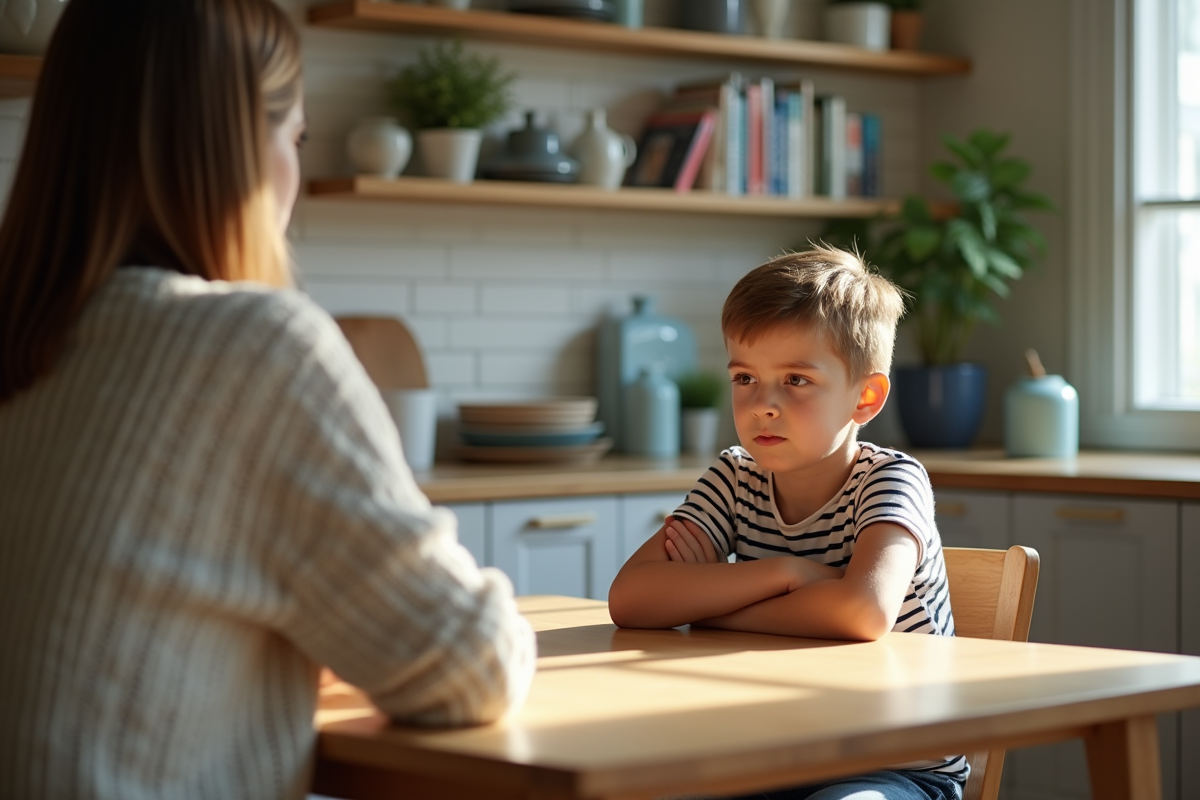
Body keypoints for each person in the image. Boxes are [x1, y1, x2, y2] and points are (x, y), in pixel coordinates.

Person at [0, 2, 535, 798]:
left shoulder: (27, 343)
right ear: (239, 150)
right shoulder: (250, 345)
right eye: (297, 139)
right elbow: (464, 664)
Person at [608, 245, 964, 800]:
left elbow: (862, 611)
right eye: (745, 378)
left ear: (865, 398)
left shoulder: (893, 481)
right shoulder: (734, 477)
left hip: (896, 767)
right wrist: (789, 573)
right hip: (767, 757)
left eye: (796, 380)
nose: (762, 405)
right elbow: (631, 599)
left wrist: (709, 608)